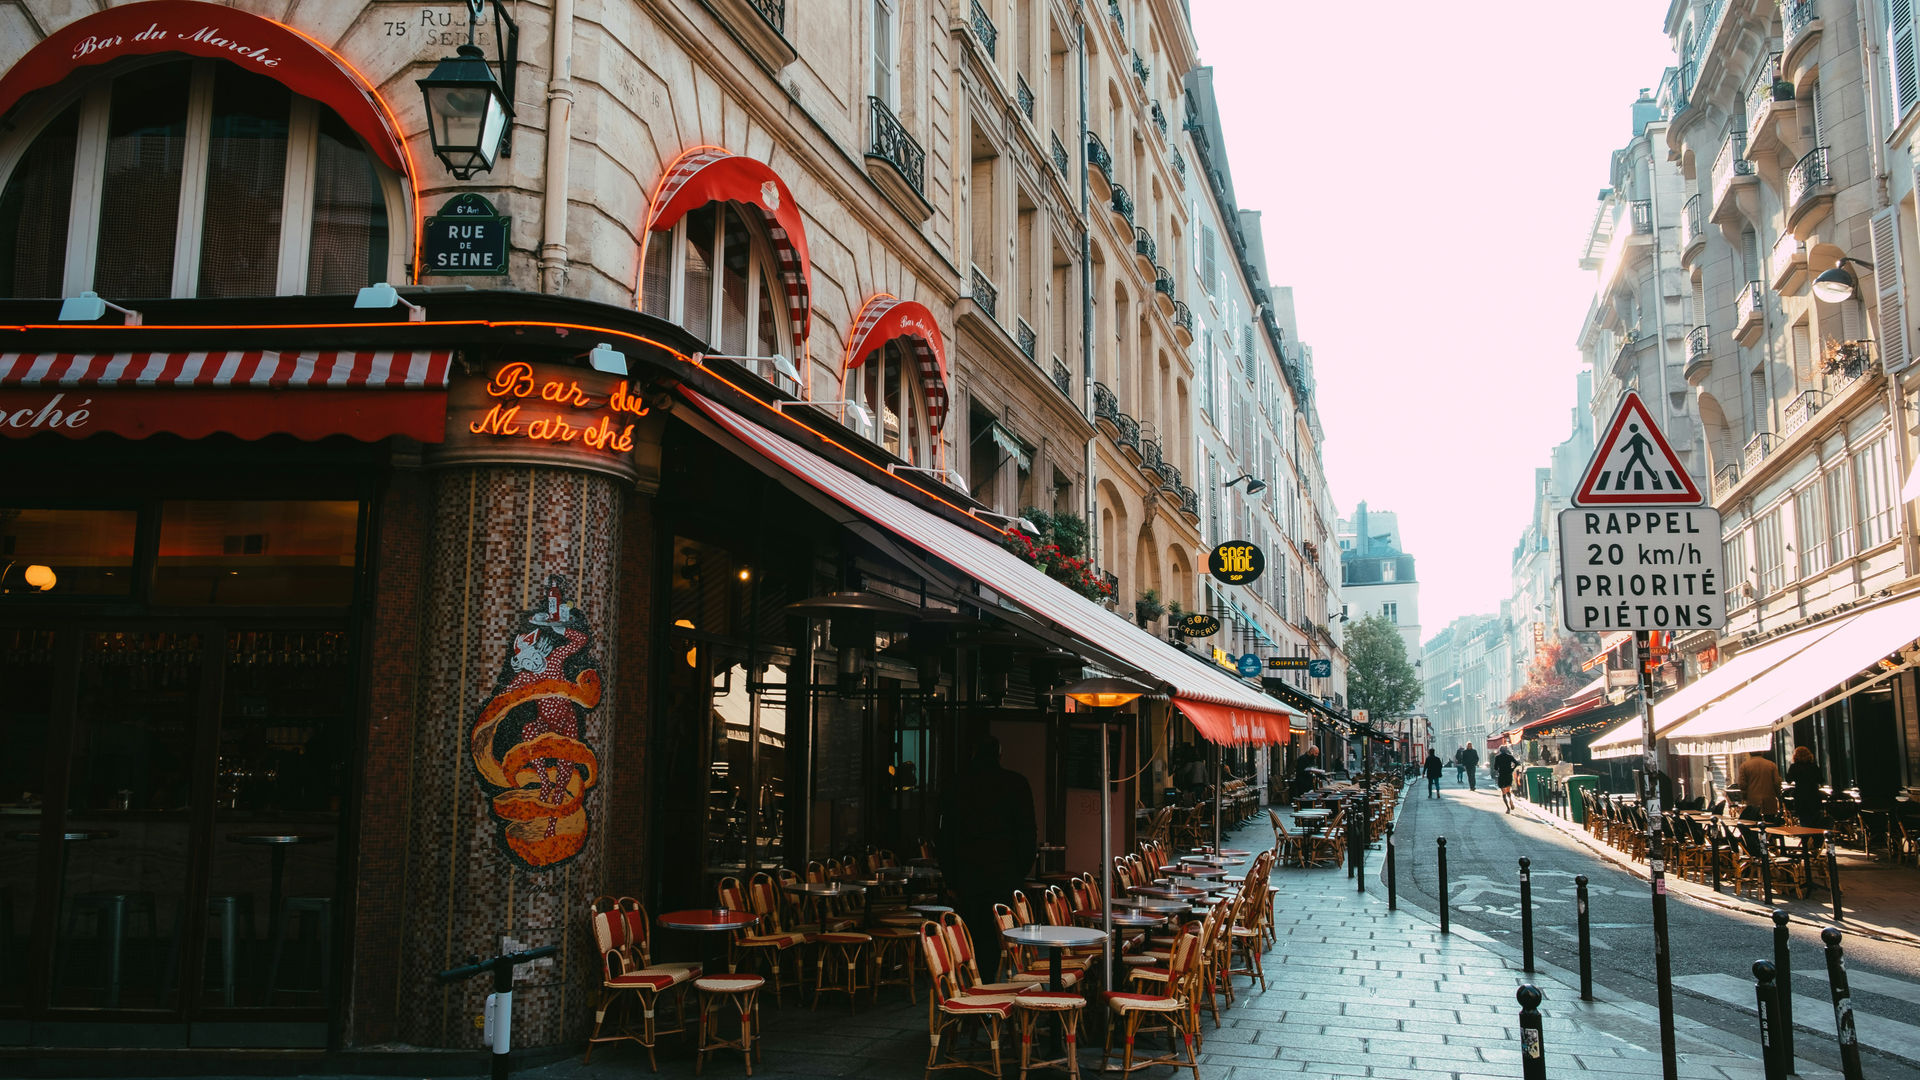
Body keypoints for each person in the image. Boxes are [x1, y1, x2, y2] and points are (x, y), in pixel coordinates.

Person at [939, 735, 1036, 978]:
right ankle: (990, 985)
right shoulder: (1016, 784)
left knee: (972, 934)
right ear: (999, 755)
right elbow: (1027, 833)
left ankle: (976, 984)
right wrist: (1019, 872)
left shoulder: (957, 785)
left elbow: (945, 836)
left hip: (967, 875)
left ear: (973, 753)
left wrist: (950, 879)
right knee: (997, 936)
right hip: (1004, 875)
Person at [1738, 751, 1783, 821]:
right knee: (1770, 822)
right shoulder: (1771, 764)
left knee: (1754, 823)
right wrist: (1778, 793)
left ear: (1750, 753)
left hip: (1752, 799)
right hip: (1769, 798)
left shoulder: (1744, 766)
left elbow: (1742, 784)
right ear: (1762, 753)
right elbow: (1777, 782)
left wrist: (1744, 796)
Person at [1785, 746, 1825, 826]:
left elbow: (1788, 779)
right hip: (1814, 795)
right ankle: (1815, 836)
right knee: (1815, 819)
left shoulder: (1794, 767)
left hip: (1800, 795)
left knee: (1804, 818)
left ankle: (1805, 836)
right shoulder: (1813, 766)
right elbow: (1821, 780)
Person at [1492, 746, 1519, 812]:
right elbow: (1516, 763)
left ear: (1500, 750)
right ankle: (1510, 800)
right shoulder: (1510, 756)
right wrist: (1512, 769)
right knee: (1508, 790)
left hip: (1501, 775)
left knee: (1503, 792)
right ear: (1506, 750)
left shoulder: (1497, 757)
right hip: (1508, 774)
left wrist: (1498, 769)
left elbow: (1495, 767)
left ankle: (1508, 808)